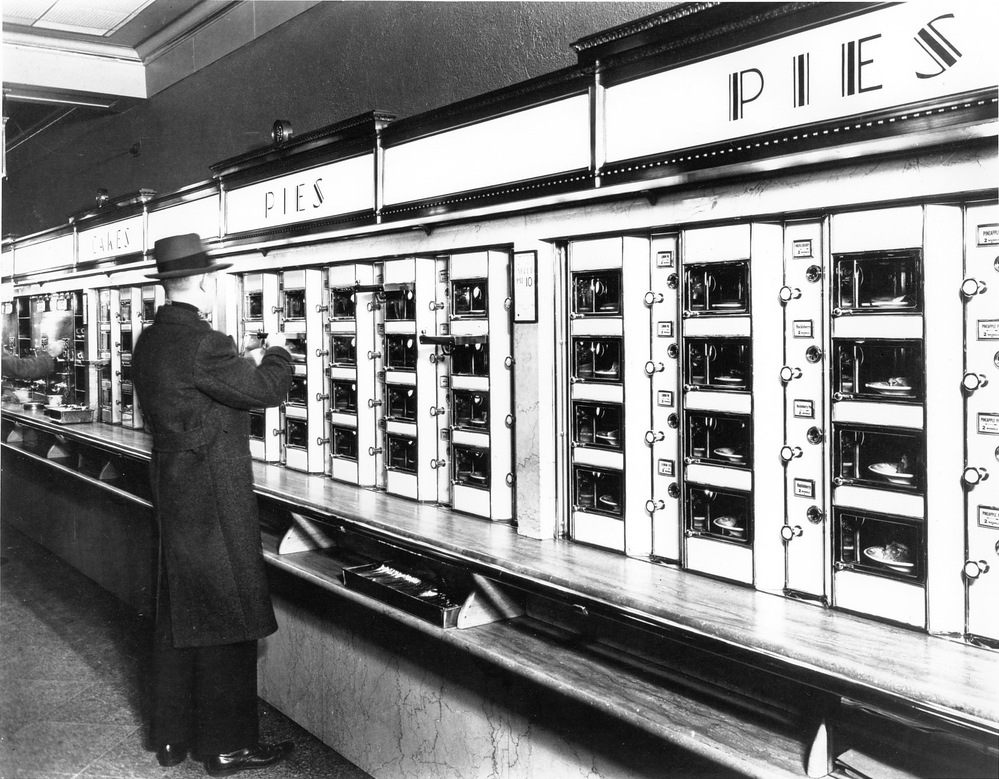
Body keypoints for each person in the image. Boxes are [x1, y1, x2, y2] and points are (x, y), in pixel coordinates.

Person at [132, 234, 295, 777]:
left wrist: (237, 364)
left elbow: (198, 392)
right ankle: (226, 747)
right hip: (212, 494)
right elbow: (266, 389)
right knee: (228, 615)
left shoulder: (150, 340)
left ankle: (172, 737)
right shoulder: (207, 342)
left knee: (179, 614)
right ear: (203, 283)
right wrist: (278, 348)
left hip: (174, 488)